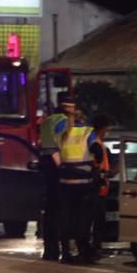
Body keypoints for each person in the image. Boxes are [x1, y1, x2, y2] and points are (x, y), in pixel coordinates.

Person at [51, 100, 98, 264]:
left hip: (65, 182)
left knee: (65, 218)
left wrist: (62, 167)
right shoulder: (88, 132)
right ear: (83, 118)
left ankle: (65, 253)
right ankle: (83, 252)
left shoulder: (60, 130)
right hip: (84, 183)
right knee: (83, 220)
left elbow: (53, 152)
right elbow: (96, 150)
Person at [37, 93, 73, 260]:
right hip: (57, 172)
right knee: (61, 212)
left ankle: (50, 250)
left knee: (50, 212)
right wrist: (62, 167)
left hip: (47, 171)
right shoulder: (61, 122)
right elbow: (54, 149)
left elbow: (45, 147)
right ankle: (63, 251)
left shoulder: (46, 122)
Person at [86, 114, 113, 261]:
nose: (107, 131)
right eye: (107, 128)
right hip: (97, 187)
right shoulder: (96, 143)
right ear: (103, 128)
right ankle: (95, 247)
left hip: (99, 185)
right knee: (97, 219)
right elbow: (97, 166)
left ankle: (95, 246)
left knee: (96, 219)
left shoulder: (97, 142)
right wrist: (106, 175)